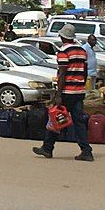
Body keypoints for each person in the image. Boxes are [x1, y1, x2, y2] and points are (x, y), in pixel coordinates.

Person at [33, 23, 93, 162]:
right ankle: (86, 150)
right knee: (78, 122)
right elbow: (84, 71)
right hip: (79, 91)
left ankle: (47, 148)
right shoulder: (81, 51)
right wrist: (81, 85)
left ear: (62, 36)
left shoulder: (64, 51)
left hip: (67, 92)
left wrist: (58, 94)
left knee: (54, 118)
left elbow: (62, 74)